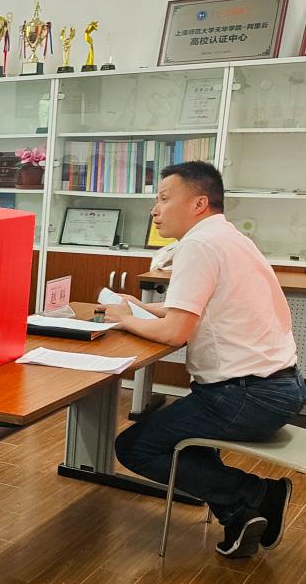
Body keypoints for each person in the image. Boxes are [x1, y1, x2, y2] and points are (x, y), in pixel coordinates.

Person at [99, 162, 304, 558]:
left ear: (198, 203)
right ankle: (238, 514)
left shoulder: (198, 245)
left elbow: (175, 333)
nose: (155, 210)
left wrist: (124, 319)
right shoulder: (229, 237)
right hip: (279, 387)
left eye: (164, 198)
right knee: (184, 438)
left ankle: (258, 493)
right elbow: (195, 308)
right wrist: (142, 307)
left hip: (247, 396)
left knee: (135, 447)